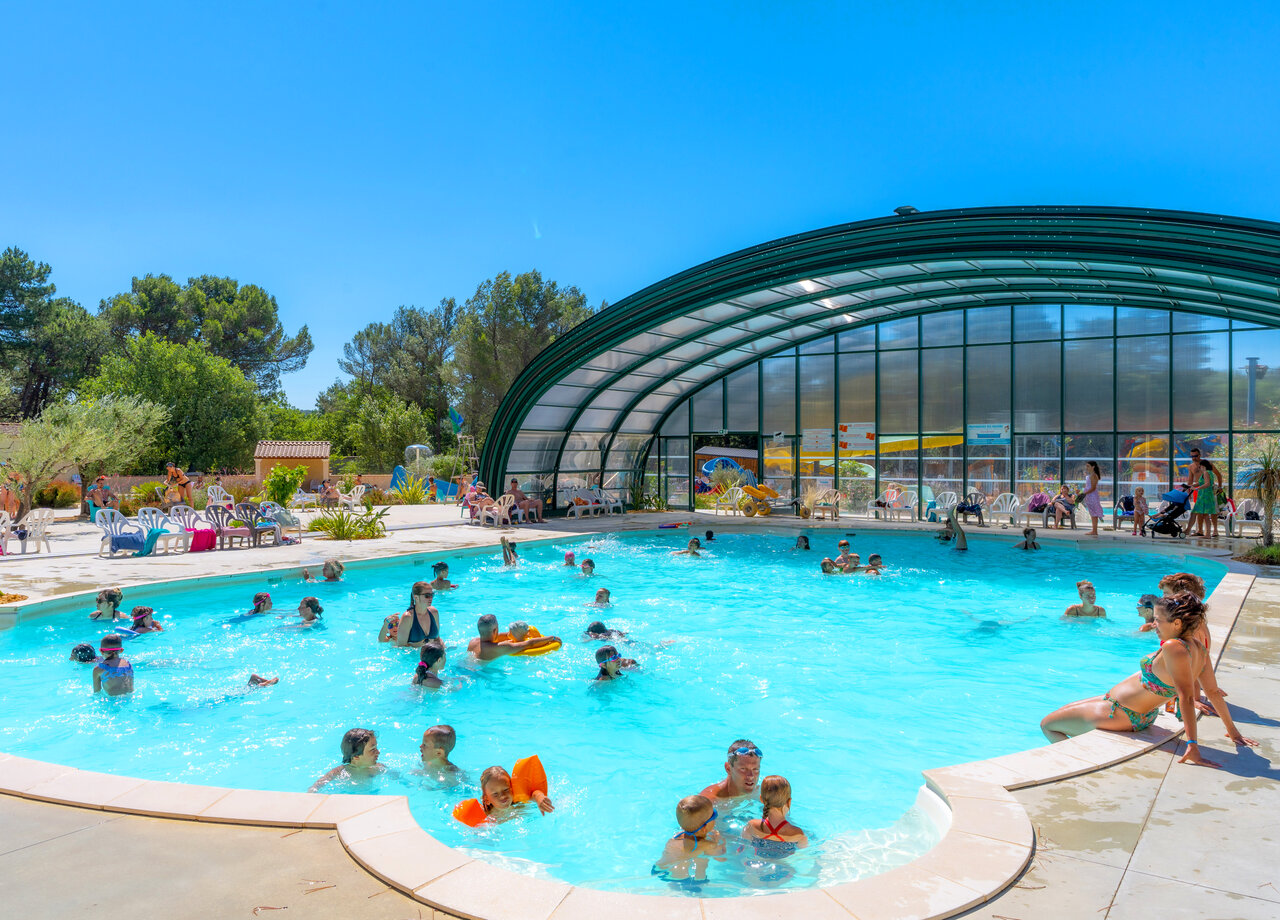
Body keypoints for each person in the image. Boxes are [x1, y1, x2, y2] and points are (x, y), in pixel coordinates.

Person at [1040, 594, 1257, 765]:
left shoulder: (1174, 647)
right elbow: (1213, 692)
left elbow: (1187, 697)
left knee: (1047, 725)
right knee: (1062, 712)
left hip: (1123, 712)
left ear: (1177, 623)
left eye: (1158, 620)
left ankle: (1077, 760)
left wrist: (1192, 744)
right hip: (1130, 710)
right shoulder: (1198, 648)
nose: (1154, 625)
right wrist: (1233, 731)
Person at [654, 794, 725, 882]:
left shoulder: (679, 835)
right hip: (681, 877)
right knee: (702, 862)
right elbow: (721, 858)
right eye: (713, 815)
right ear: (704, 828)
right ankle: (700, 881)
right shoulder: (707, 845)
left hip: (659, 868)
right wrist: (719, 841)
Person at [742, 775, 809, 857]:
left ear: (761, 799)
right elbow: (805, 855)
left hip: (757, 859)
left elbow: (744, 848)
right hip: (784, 863)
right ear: (789, 802)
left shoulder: (752, 826)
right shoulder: (797, 834)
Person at [308, 728, 385, 792]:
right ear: (356, 756)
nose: (378, 752)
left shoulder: (378, 768)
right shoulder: (338, 772)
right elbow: (314, 788)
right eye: (372, 749)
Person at [468, 614, 561, 661]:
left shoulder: (473, 641)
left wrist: (517, 631)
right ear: (495, 630)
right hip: (475, 674)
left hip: (464, 667)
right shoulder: (501, 647)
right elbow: (530, 643)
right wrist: (552, 638)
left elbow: (500, 636)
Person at [476, 763, 554, 817]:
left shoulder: (517, 800)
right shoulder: (487, 814)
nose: (502, 796)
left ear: (512, 787)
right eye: (495, 794)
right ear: (487, 800)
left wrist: (539, 798)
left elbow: (533, 794)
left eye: (506, 789)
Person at [396, 582, 439, 647]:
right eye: (427, 595)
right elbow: (401, 646)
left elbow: (437, 639)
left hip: (431, 652)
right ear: (416, 597)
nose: (431, 598)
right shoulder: (408, 617)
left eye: (432, 594)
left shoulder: (434, 612)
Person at [1191, 458, 1220, 538]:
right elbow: (1202, 482)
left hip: (1205, 496)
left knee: (1205, 515)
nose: (1199, 468)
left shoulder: (1206, 473)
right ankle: (1207, 533)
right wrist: (1192, 485)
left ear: (1203, 466)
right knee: (1205, 515)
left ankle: (1208, 534)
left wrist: (1197, 489)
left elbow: (1207, 484)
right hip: (1208, 496)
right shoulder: (1210, 473)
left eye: (1200, 466)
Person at [1077, 461, 1104, 536]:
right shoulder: (1090, 475)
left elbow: (1093, 488)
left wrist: (1084, 493)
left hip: (1092, 496)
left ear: (1093, 467)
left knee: (1094, 513)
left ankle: (1094, 530)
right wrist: (1082, 491)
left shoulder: (1093, 475)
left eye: (1088, 466)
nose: (1086, 468)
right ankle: (1094, 530)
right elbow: (1088, 486)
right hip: (1089, 496)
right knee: (1092, 513)